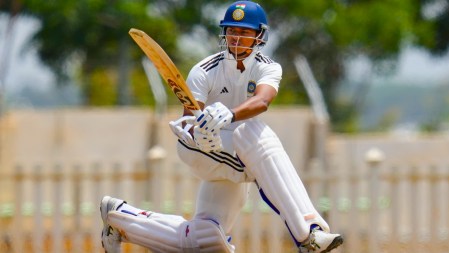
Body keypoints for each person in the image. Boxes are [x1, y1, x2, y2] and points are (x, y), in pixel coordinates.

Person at [100, 1, 343, 252]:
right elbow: (190, 116)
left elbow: (262, 101)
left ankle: (119, 217)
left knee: (206, 239)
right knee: (255, 137)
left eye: (244, 32)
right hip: (201, 150)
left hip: (237, 149)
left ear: (259, 35)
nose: (236, 38)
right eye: (232, 31)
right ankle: (309, 235)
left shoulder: (268, 66)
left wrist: (229, 114)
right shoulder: (204, 70)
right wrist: (196, 131)